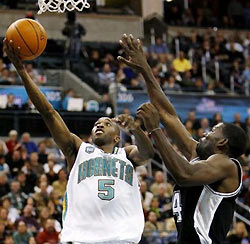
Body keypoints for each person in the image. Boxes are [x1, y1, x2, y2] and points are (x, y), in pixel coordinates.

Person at [4, 39, 154, 243]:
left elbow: (147, 153)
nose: (99, 125)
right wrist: (22, 71)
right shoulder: (78, 149)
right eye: (96, 124)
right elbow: (48, 112)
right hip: (81, 238)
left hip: (122, 239)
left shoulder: (125, 154)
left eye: (107, 123)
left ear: (118, 137)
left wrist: (136, 128)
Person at [118, 34, 248, 244]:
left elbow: (184, 175)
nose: (205, 132)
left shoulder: (226, 165)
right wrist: (145, 70)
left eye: (213, 130)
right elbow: (167, 113)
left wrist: (154, 129)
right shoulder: (200, 156)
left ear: (223, 143)